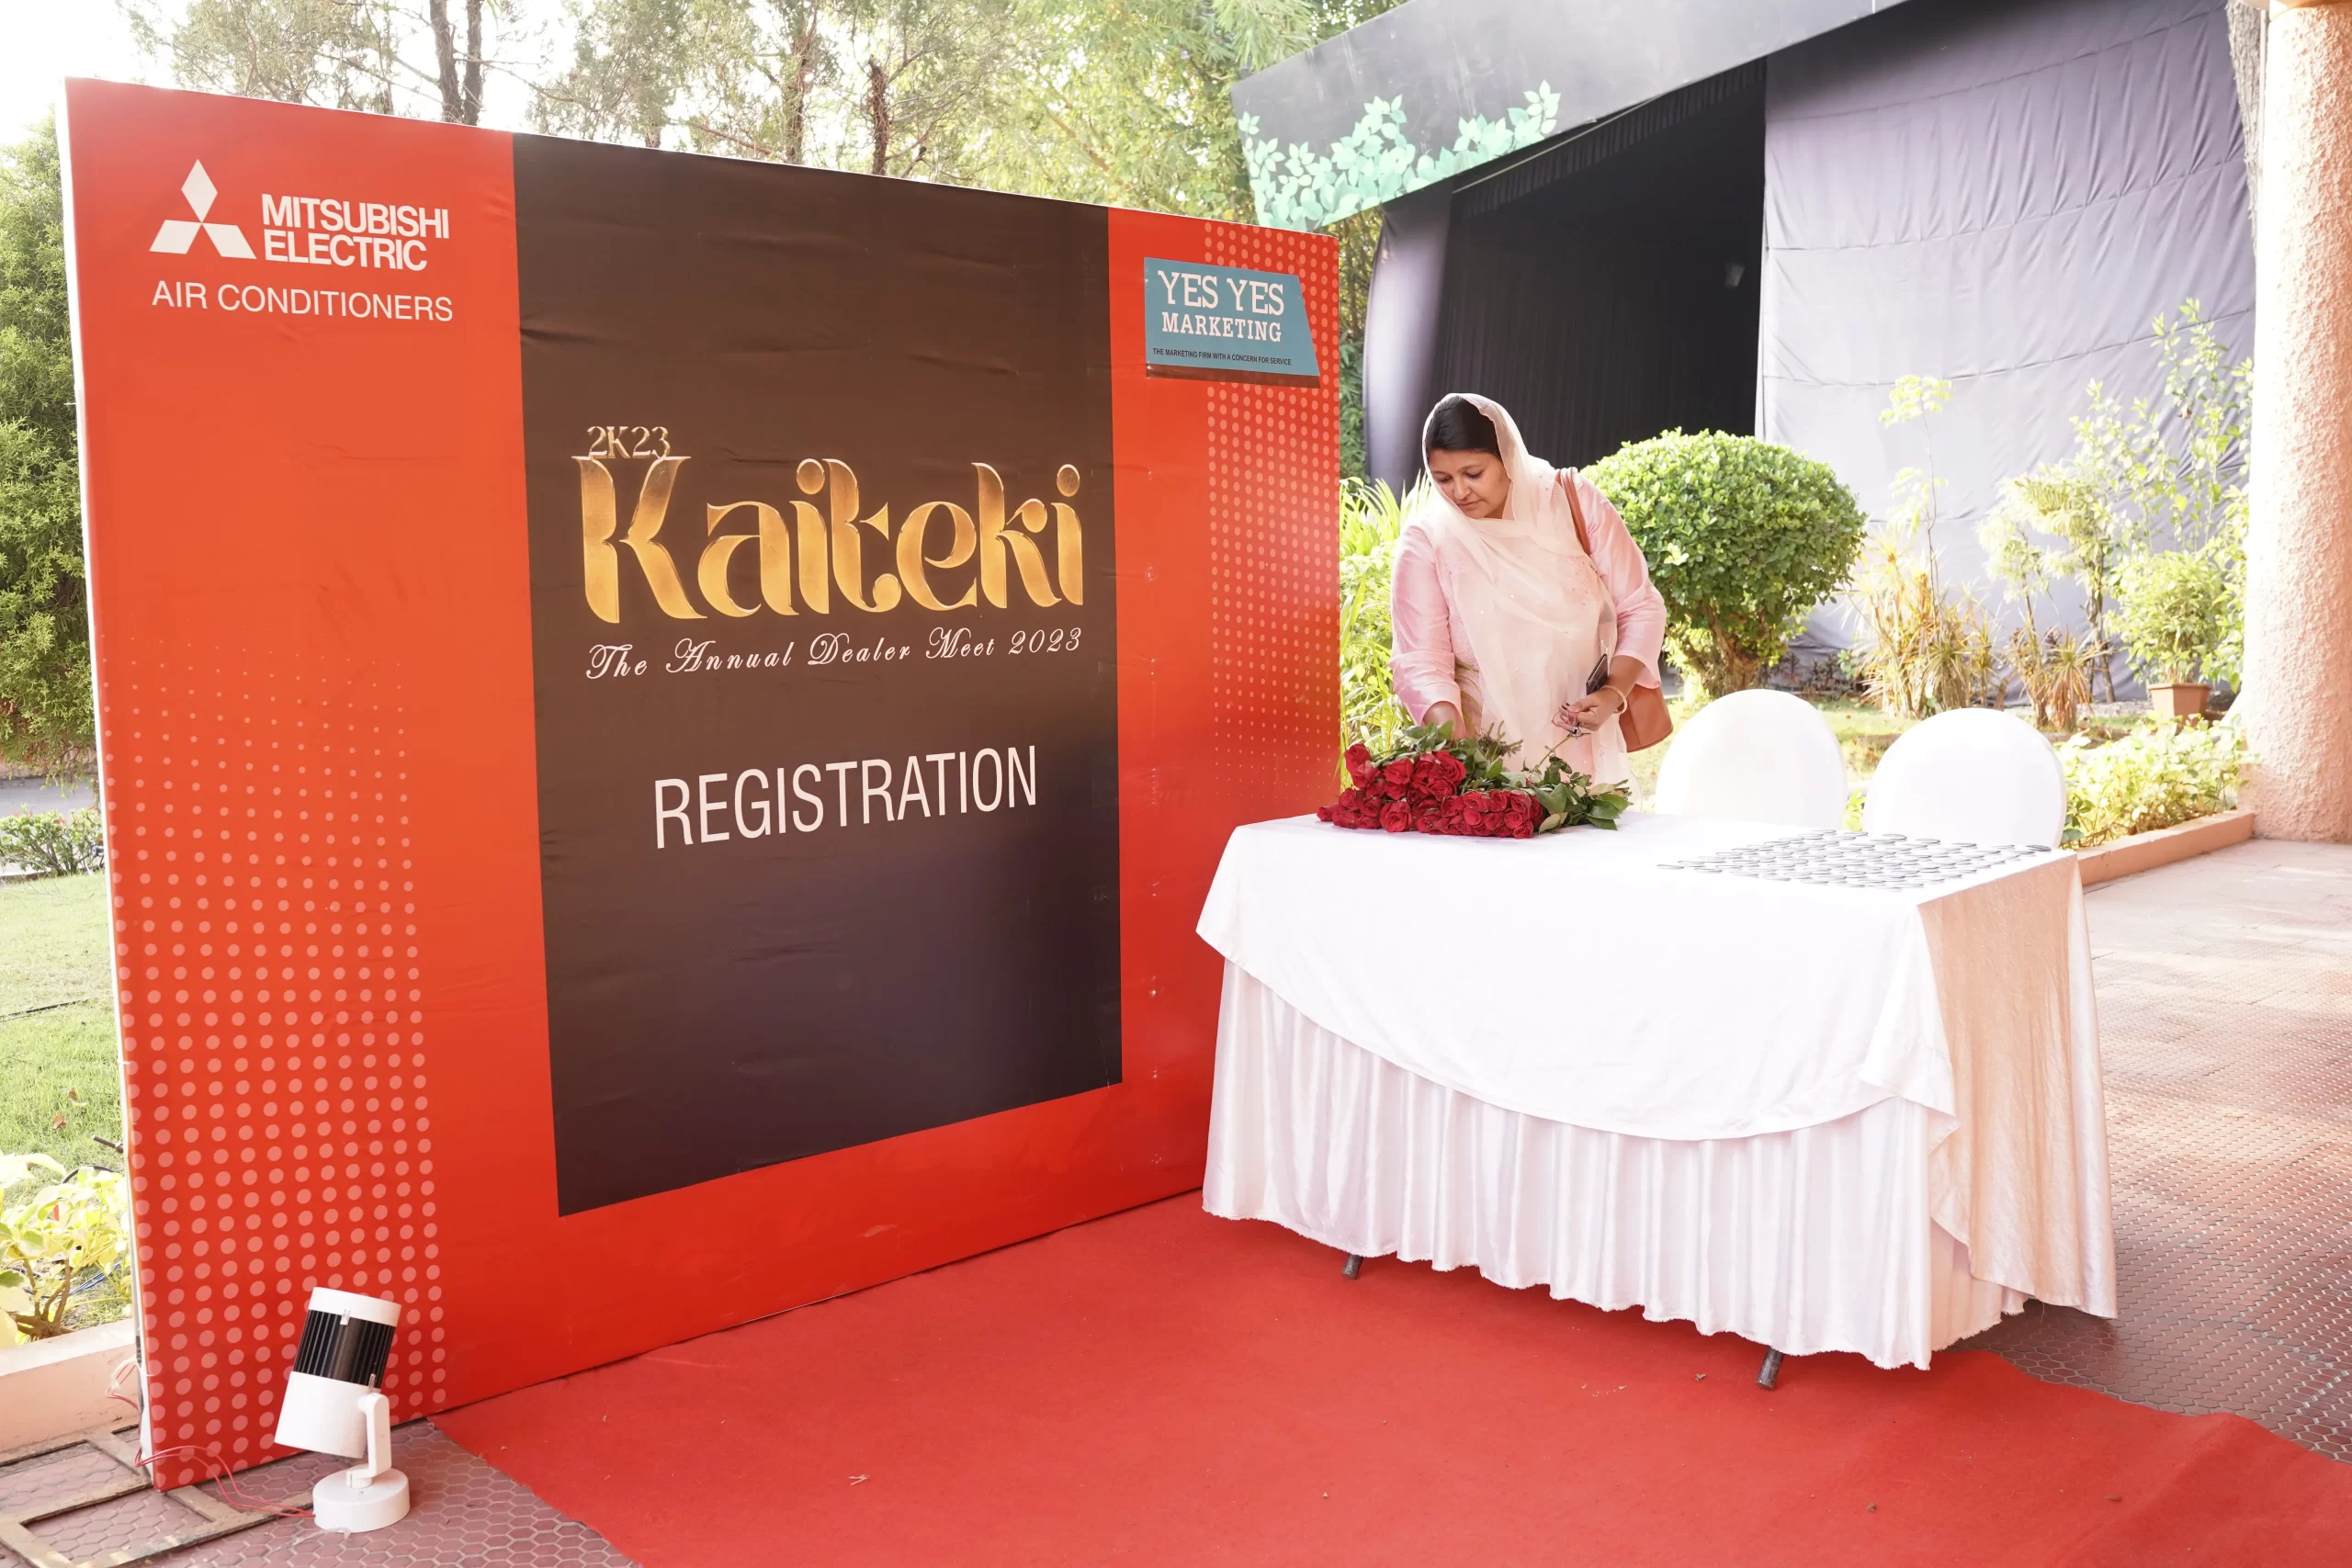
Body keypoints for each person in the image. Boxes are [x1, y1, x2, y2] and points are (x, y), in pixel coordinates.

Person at [1389, 393, 1667, 788]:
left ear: (1507, 456)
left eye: (1473, 473)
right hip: (1486, 762)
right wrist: (1458, 758)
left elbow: (1640, 606)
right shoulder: (1428, 542)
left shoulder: (1571, 501)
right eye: (1444, 479)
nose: (1459, 492)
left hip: (1583, 747)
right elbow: (1421, 661)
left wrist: (1612, 695)